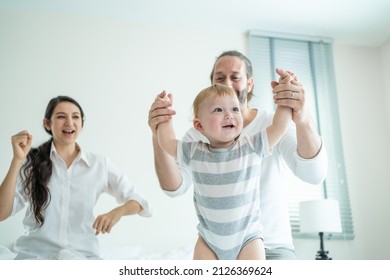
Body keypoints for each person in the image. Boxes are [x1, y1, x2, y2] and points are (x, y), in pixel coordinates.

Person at [148, 50, 328, 260]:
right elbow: (173, 180)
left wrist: (290, 104)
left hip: (260, 242)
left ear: (249, 84)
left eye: (235, 77)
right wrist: (160, 125)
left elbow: (310, 169)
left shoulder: (253, 142)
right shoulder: (196, 143)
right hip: (209, 241)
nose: (228, 83)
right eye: (220, 78)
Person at [0, 96, 152, 259]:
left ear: (82, 123)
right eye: (60, 116)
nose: (69, 122)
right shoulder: (31, 162)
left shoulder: (99, 165)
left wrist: (117, 212)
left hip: (82, 257)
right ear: (47, 123)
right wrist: (17, 160)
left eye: (75, 116)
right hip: (36, 256)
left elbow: (140, 202)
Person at [156, 83, 292, 260]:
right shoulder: (194, 152)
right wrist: (164, 117)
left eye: (235, 109)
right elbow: (167, 142)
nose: (229, 115)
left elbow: (280, 126)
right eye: (218, 110)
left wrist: (285, 100)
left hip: (248, 240)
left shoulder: (252, 146)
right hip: (208, 242)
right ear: (199, 125)